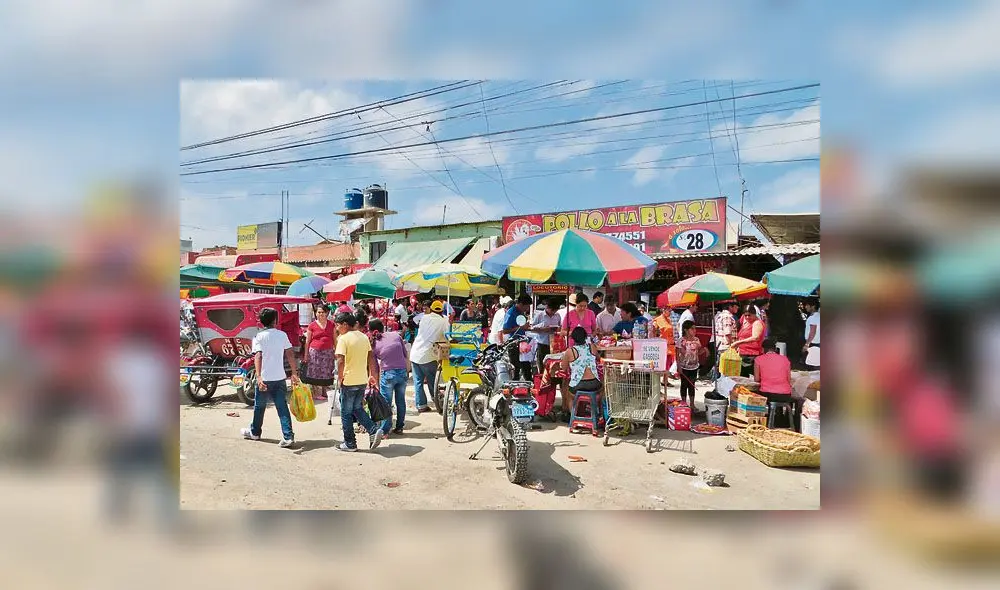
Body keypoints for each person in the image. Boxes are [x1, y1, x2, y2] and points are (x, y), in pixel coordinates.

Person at [241, 308, 299, 448]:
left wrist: (259, 376)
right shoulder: (282, 335)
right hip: (279, 377)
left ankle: (255, 432)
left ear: (261, 321)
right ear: (275, 320)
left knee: (259, 407)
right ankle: (288, 436)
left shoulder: (258, 337)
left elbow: (258, 356)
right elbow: (290, 353)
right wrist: (294, 372)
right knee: (282, 407)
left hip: (265, 378)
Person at [333, 312, 383, 452]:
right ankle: (373, 430)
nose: (337, 328)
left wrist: (340, 377)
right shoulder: (363, 337)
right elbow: (371, 357)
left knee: (346, 413)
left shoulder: (343, 339)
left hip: (348, 380)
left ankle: (350, 443)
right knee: (357, 408)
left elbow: (340, 360)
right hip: (361, 379)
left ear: (344, 324)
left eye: (337, 325)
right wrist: (372, 375)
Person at [369, 319, 409, 437]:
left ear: (371, 331)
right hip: (402, 372)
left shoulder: (373, 344)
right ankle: (399, 427)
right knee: (400, 400)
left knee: (386, 403)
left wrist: (375, 382)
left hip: (388, 374)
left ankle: (385, 430)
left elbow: (375, 367)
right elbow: (405, 354)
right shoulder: (396, 335)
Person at [409, 299, 450, 412]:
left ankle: (421, 405)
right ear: (441, 311)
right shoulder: (444, 320)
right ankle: (437, 402)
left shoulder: (424, 318)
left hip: (415, 352)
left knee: (418, 382)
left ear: (431, 309)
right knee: (433, 381)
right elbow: (447, 336)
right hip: (428, 355)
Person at [560, 326, 602, 415]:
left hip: (578, 385)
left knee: (567, 392)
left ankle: (573, 416)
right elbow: (598, 359)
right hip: (595, 384)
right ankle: (597, 415)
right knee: (601, 389)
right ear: (585, 337)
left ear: (573, 338)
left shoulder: (570, 351)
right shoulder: (592, 347)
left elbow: (563, 368)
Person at [302, 303, 337, 402]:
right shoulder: (312, 325)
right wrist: (306, 355)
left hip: (328, 352)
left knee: (326, 371)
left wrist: (337, 351)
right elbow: (307, 341)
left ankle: (324, 391)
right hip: (314, 352)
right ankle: (316, 392)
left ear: (326, 313)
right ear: (316, 313)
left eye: (322, 312)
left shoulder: (331, 324)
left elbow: (335, 339)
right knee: (314, 372)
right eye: (319, 312)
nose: (320, 314)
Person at [676, 320, 707, 408]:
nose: (694, 330)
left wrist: (705, 350)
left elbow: (698, 352)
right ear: (686, 330)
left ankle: (692, 405)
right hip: (684, 366)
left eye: (695, 329)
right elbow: (677, 355)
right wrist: (678, 366)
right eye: (692, 329)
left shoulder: (696, 340)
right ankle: (684, 403)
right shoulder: (681, 340)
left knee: (692, 385)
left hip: (694, 367)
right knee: (684, 384)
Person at [502, 294, 533, 380]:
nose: (527, 309)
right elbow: (505, 330)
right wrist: (521, 327)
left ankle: (528, 383)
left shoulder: (521, 312)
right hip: (513, 344)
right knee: (515, 367)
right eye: (527, 306)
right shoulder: (511, 313)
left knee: (526, 366)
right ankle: (515, 384)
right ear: (521, 304)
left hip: (523, 343)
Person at [753, 339, 792, 403]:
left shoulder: (758, 359)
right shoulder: (785, 359)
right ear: (775, 349)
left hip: (766, 394)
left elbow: (756, 379)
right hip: (785, 394)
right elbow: (789, 379)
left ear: (763, 349)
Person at [731, 305, 765, 378]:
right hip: (743, 354)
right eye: (745, 315)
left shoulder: (757, 323)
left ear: (754, 314)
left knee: (752, 378)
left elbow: (755, 337)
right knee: (742, 378)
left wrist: (738, 343)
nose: (747, 317)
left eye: (749, 315)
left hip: (752, 355)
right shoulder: (746, 322)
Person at [530, 299, 562, 374]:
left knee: (554, 364)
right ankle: (542, 377)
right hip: (542, 343)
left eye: (555, 311)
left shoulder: (557, 315)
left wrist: (557, 329)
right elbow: (532, 329)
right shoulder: (540, 315)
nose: (553, 312)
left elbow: (560, 326)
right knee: (542, 363)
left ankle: (552, 378)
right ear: (547, 308)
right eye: (552, 310)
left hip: (554, 343)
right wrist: (543, 329)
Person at [651, 305, 675, 386]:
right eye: (669, 310)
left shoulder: (668, 320)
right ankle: (657, 384)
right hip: (661, 346)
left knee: (668, 363)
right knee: (660, 365)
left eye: (671, 310)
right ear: (663, 310)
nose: (670, 312)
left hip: (669, 345)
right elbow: (653, 332)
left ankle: (665, 380)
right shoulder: (657, 320)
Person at [802, 298, 820, 369]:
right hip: (818, 343)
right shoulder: (819, 316)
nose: (805, 307)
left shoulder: (813, 318)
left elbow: (812, 331)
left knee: (811, 365)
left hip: (813, 344)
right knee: (817, 364)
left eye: (807, 305)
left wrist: (807, 344)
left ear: (813, 306)